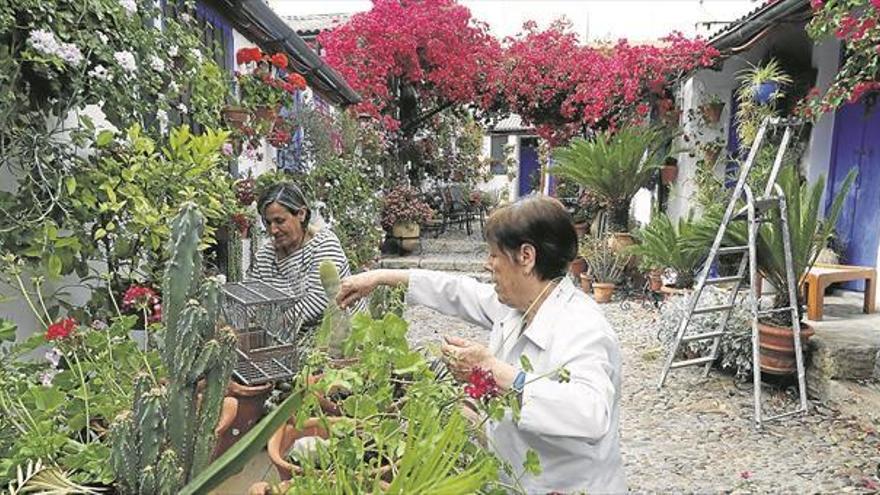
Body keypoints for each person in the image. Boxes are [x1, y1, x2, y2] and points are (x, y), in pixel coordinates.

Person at [336, 196, 625, 494]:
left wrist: (493, 372)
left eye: (494, 255)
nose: (488, 266)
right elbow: (457, 291)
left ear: (526, 256)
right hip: (515, 480)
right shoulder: (519, 305)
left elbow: (590, 414)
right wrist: (382, 277)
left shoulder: (582, 325)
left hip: (569, 485)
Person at [248, 182, 365, 338]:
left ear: (301, 214)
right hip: (296, 342)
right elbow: (251, 297)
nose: (273, 230)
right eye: (267, 223)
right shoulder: (265, 256)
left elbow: (318, 300)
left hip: (343, 339)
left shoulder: (324, 244)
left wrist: (274, 327)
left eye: (280, 221)